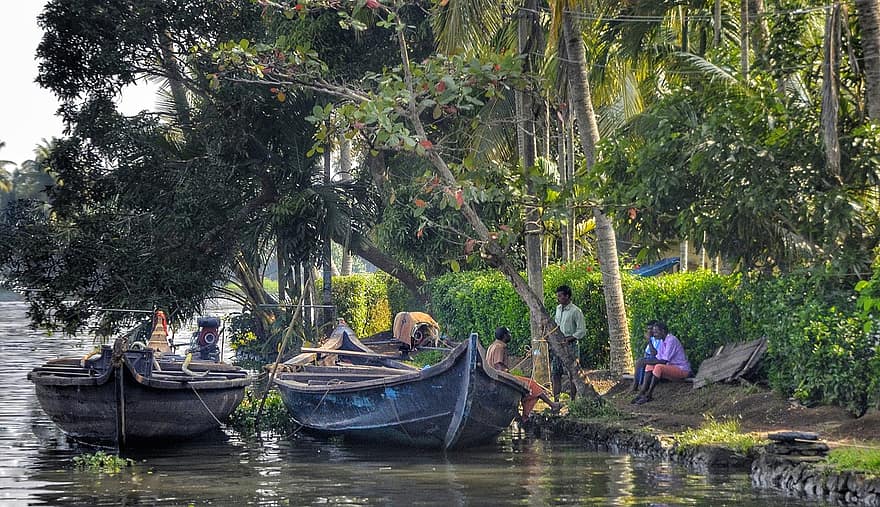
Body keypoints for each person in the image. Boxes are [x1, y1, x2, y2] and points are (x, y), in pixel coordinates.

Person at [487, 327, 561, 421]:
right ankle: (552, 405)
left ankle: (523, 416)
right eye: (509, 334)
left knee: (530, 385)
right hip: (501, 379)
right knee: (532, 385)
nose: (510, 336)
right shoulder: (500, 347)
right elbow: (498, 366)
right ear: (504, 336)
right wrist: (510, 377)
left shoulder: (492, 346)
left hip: (496, 378)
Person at [632, 321, 691, 405]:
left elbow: (664, 361)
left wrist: (643, 361)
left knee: (658, 367)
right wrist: (644, 362)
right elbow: (657, 358)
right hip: (672, 368)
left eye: (656, 332)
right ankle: (642, 392)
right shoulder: (663, 341)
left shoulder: (671, 340)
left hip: (682, 370)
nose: (654, 334)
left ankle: (649, 395)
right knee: (650, 365)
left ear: (663, 331)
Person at [552, 285, 586, 401]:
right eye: (558, 296)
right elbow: (556, 324)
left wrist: (570, 338)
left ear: (567, 296)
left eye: (560, 296)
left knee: (572, 374)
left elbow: (581, 331)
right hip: (558, 344)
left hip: (570, 345)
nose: (558, 298)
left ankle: (572, 401)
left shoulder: (576, 311)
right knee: (556, 373)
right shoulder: (558, 308)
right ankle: (555, 401)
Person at [631, 320, 661, 391]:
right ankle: (636, 385)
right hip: (650, 357)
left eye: (651, 329)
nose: (649, 331)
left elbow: (654, 354)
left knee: (640, 362)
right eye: (648, 329)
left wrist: (649, 341)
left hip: (658, 359)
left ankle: (636, 386)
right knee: (640, 361)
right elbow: (647, 352)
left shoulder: (659, 339)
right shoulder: (653, 338)